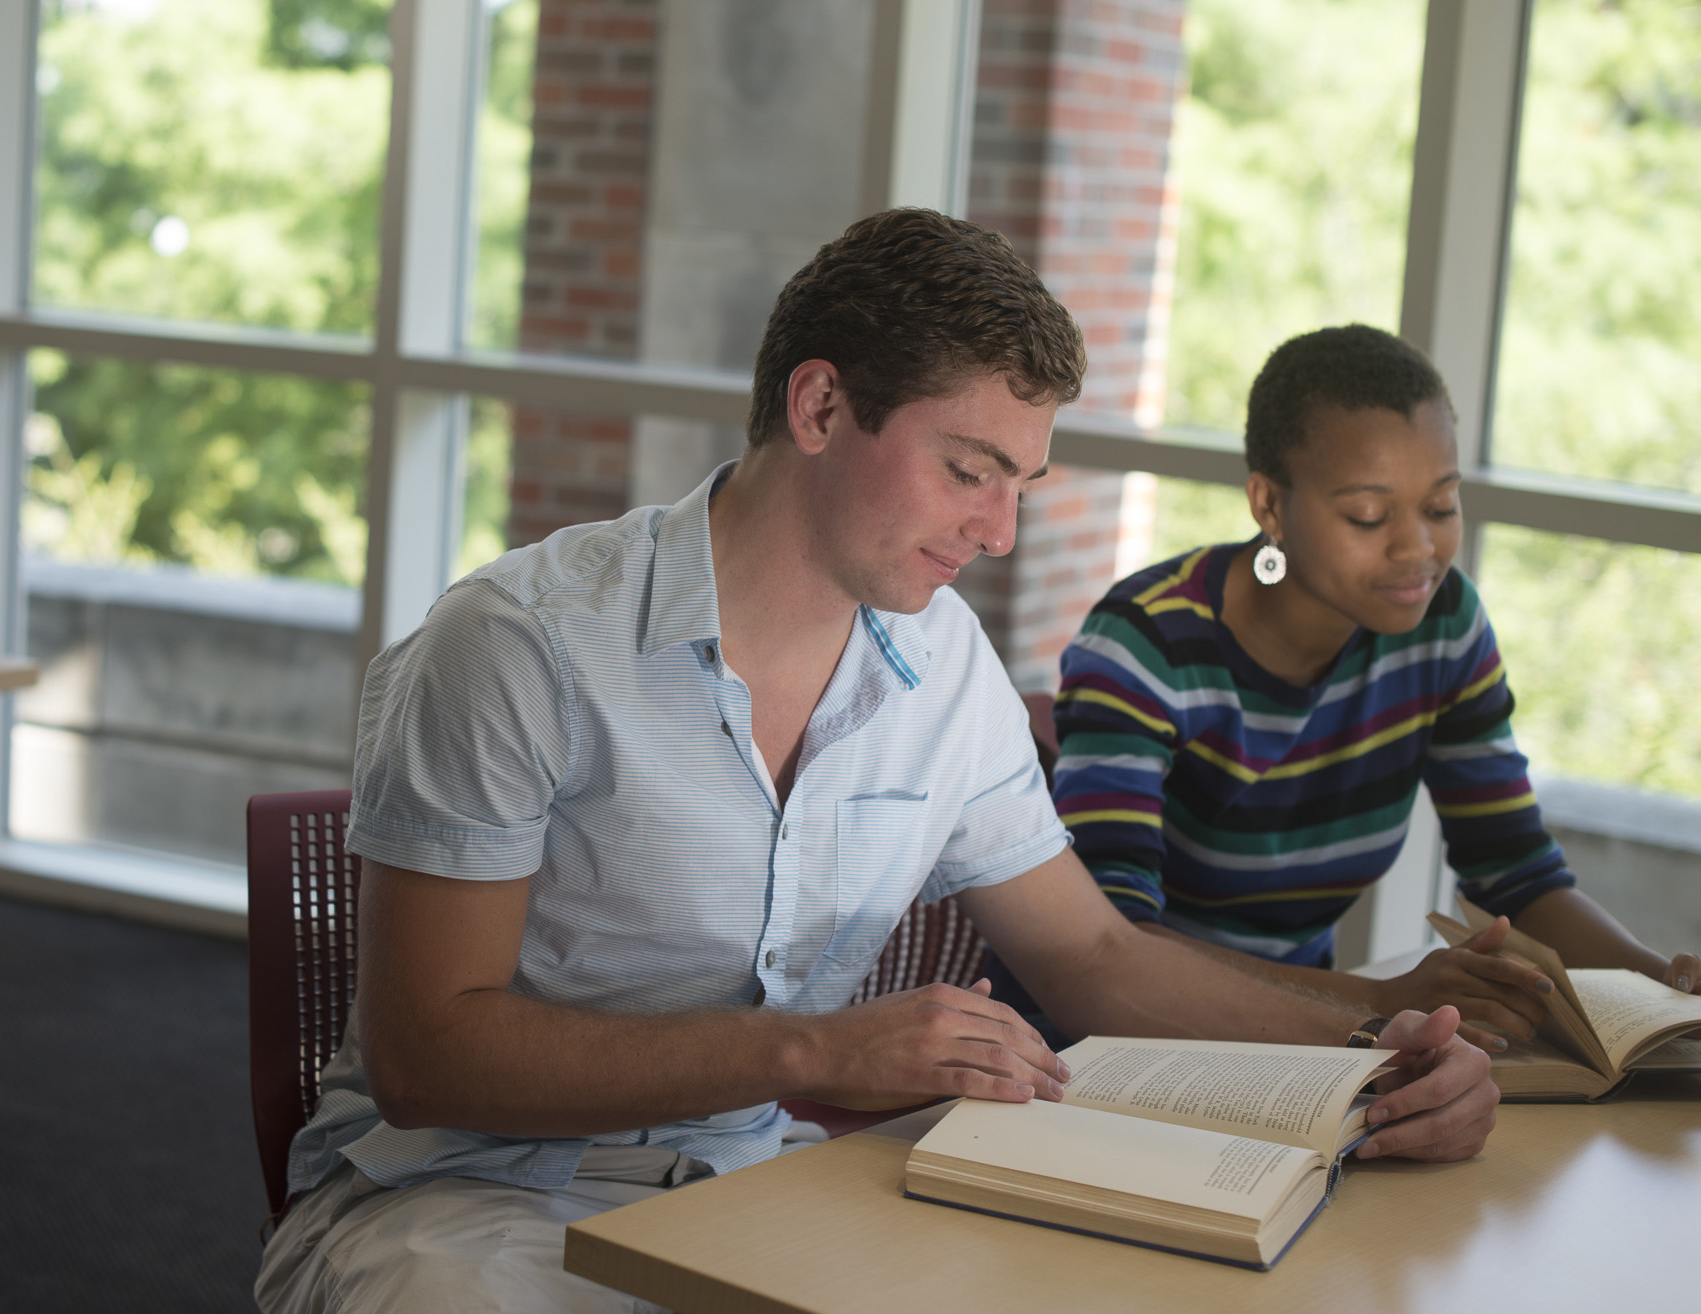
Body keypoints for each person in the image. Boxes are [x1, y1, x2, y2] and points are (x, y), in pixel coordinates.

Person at [255, 217, 1498, 1314]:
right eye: (967, 470)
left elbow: (1096, 956)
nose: (998, 532)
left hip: (761, 1185)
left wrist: (1373, 1048)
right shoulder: (518, 648)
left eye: (1020, 483)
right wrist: (811, 1050)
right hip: (467, 1204)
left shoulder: (942, 666)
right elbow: (427, 1059)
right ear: (817, 409)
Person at [992, 324, 1700, 1054]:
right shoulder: (1148, 645)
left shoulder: (1442, 627)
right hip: (1096, 1047)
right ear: (1268, 505)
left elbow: (1517, 873)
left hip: (1314, 1044)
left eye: (1440, 507)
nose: (1418, 550)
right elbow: (1113, 943)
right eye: (1368, 515)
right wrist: (1383, 1004)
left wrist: (1663, 989)